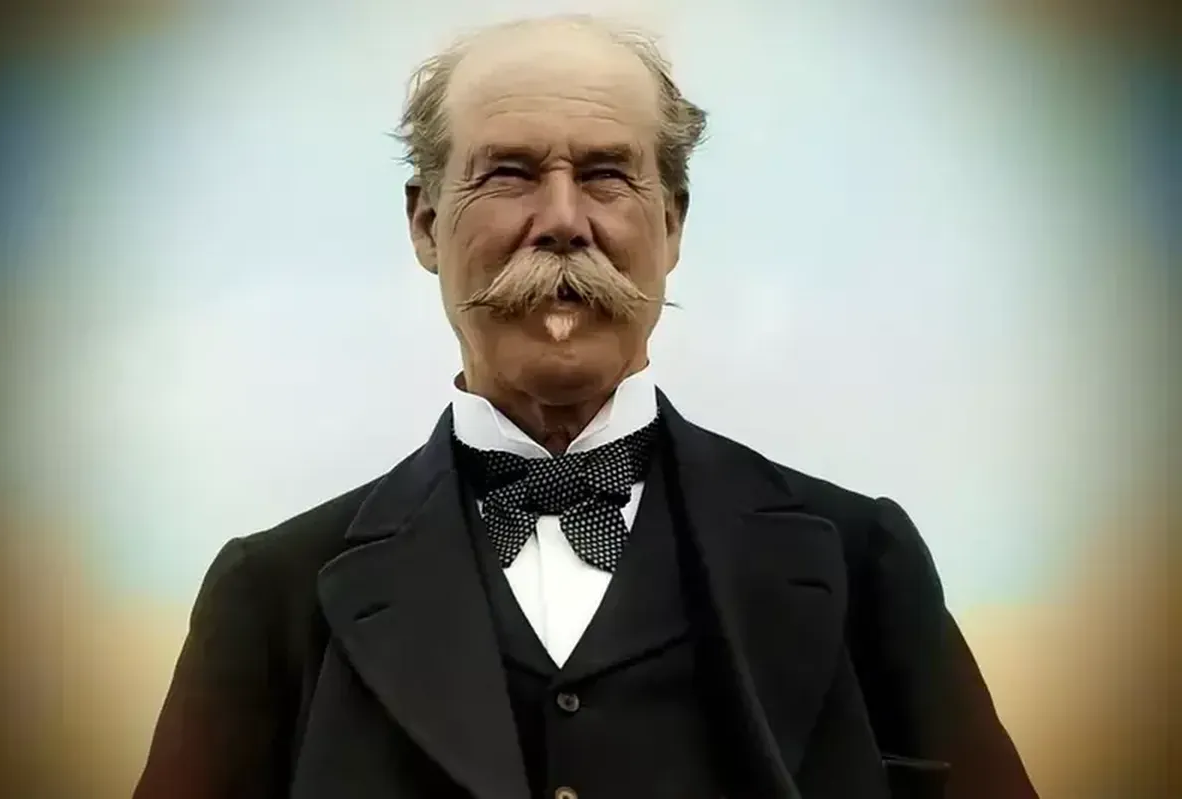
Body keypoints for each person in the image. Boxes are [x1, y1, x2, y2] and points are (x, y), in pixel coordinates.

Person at [134, 14, 1037, 799]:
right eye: (509, 174)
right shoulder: (273, 599)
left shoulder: (861, 565)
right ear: (425, 223)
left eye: (607, 174)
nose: (564, 218)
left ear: (672, 224)